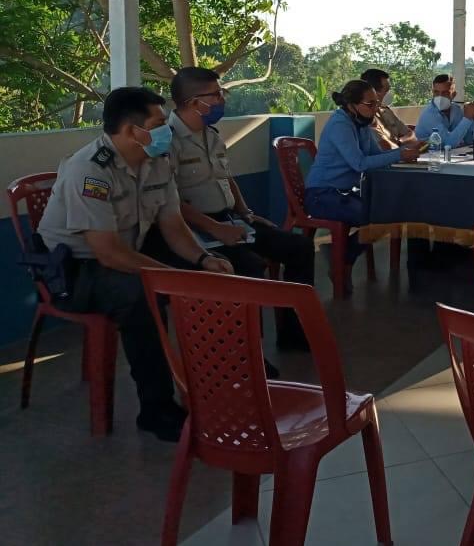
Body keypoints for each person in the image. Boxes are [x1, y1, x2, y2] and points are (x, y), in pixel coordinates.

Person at [36, 87, 235, 442]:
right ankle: (156, 410)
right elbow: (108, 253)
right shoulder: (90, 170)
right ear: (132, 130)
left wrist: (203, 259)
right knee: (143, 296)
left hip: (125, 252)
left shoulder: (156, 160)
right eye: (159, 124)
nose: (166, 131)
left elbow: (173, 225)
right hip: (73, 271)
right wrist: (172, 278)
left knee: (211, 274)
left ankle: (221, 383)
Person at [167, 67, 313, 350]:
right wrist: (215, 229)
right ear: (194, 102)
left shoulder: (211, 135)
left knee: (299, 247)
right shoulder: (168, 141)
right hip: (194, 229)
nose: (222, 100)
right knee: (249, 266)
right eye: (216, 95)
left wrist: (246, 213)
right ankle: (245, 353)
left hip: (230, 220)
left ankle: (294, 335)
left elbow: (227, 178)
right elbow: (169, 201)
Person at [305, 80, 420, 291]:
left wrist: (403, 154)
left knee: (389, 214)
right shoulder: (340, 125)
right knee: (374, 216)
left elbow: (376, 156)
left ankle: (342, 256)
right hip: (322, 195)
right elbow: (359, 163)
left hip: (345, 193)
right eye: (370, 104)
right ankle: (343, 261)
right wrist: (399, 155)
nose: (376, 108)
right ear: (352, 105)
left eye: (376, 103)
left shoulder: (362, 124)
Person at [414, 74, 474, 147]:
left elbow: (469, 140)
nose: (440, 97)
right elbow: (448, 143)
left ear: (453, 95)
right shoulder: (429, 115)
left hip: (449, 153)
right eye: (436, 92)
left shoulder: (456, 110)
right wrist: (467, 118)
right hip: (427, 153)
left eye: (445, 93)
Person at [361, 67, 418, 151]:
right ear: (373, 92)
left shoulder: (386, 111)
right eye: (386, 90)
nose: (389, 94)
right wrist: (402, 144)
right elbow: (386, 148)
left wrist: (400, 142)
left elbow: (412, 136)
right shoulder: (365, 119)